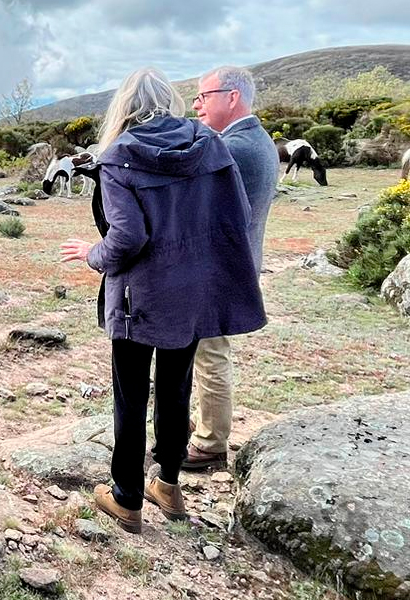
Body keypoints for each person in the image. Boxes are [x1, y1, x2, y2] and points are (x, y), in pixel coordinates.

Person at [60, 67, 266, 533]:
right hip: (194, 295)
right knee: (176, 387)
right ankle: (168, 485)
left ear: (124, 107)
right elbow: (237, 215)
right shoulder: (210, 145)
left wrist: (92, 253)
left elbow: (128, 238)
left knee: (130, 395)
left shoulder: (119, 156)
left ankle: (126, 496)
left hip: (139, 298)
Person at [183, 66, 279, 470]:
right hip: (231, 265)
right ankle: (204, 428)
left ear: (232, 97)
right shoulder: (256, 141)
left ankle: (210, 443)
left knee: (210, 355)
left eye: (204, 96)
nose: (196, 104)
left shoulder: (232, 149)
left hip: (218, 270)